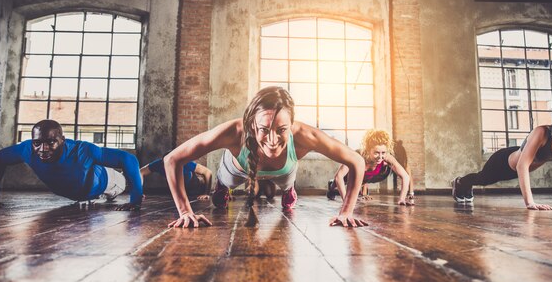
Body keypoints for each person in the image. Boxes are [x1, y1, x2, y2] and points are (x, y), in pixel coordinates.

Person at [163, 86, 367, 228]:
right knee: (227, 183)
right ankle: (223, 188)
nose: (272, 139)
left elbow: (357, 161)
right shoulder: (234, 132)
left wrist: (347, 211)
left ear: (292, 124)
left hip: (284, 170)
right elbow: (172, 159)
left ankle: (289, 192)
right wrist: (185, 212)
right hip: (239, 169)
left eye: (281, 130)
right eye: (263, 129)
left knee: (287, 185)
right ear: (252, 124)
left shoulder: (305, 136)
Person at [452, 100, 552, 210]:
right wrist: (530, 202)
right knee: (483, 179)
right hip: (503, 162)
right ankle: (459, 182)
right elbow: (522, 165)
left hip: (518, 165)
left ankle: (464, 184)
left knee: (483, 179)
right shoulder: (542, 132)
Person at [0, 119, 143, 211]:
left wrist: (135, 198)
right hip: (81, 192)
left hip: (109, 181)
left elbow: (128, 159)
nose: (43, 149)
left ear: (62, 141)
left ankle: (130, 184)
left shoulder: (82, 150)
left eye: (50, 142)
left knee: (122, 181)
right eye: (37, 143)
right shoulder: (27, 149)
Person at [326, 129, 413, 205]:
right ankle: (331, 186)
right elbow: (339, 176)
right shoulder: (357, 155)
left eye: (383, 152)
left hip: (371, 176)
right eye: (376, 153)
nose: (380, 157)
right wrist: (346, 201)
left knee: (380, 169)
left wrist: (402, 199)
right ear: (368, 150)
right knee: (335, 183)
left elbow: (405, 176)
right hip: (351, 176)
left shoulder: (387, 157)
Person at [140, 156, 213, 201]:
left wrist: (206, 193)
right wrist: (139, 192)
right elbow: (141, 172)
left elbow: (208, 172)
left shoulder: (184, 162)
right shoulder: (158, 164)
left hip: (194, 188)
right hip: (177, 189)